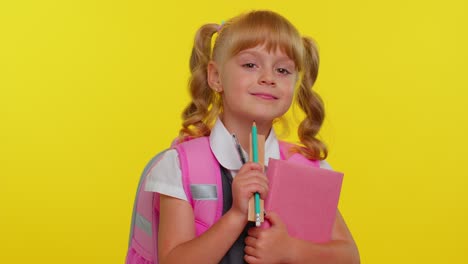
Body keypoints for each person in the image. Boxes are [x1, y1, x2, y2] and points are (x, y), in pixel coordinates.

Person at [140, 10, 359, 264]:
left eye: (283, 70)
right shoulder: (180, 167)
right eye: (250, 65)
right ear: (216, 77)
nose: (268, 78)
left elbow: (349, 257)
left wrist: (290, 250)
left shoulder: (307, 167)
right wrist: (235, 215)